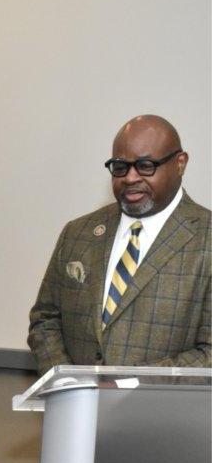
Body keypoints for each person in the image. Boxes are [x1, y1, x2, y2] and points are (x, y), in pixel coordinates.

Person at [28, 114, 211, 374]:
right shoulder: (78, 233)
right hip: (74, 407)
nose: (130, 177)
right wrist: (69, 384)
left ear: (180, 163)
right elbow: (45, 320)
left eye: (146, 165)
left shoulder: (207, 238)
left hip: (163, 412)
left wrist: (127, 387)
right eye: (120, 167)